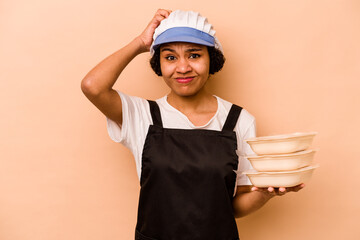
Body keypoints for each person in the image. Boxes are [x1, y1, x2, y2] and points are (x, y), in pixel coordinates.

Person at [81, 9, 304, 240]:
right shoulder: (143, 115)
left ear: (212, 59)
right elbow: (92, 86)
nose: (183, 68)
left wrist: (268, 193)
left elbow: (233, 207)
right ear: (159, 63)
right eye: (170, 57)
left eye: (194, 55)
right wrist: (140, 43)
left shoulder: (238, 120)